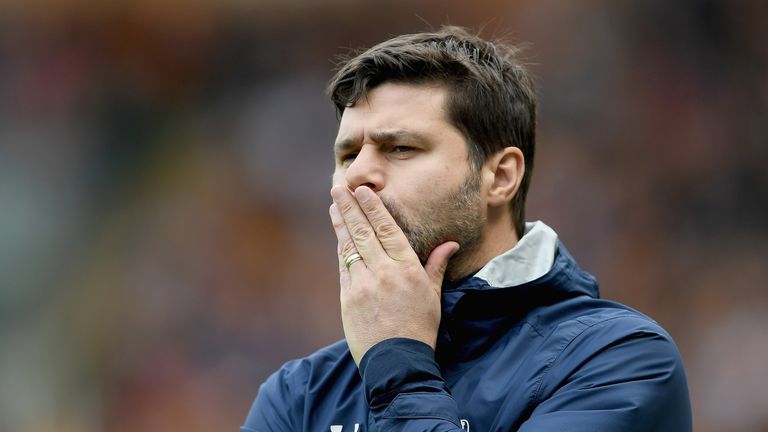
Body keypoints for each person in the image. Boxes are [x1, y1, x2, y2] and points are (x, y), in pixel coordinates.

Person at [241, 26, 692, 432]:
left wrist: (399, 365)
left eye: (400, 147)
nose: (358, 176)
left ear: (499, 177)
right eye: (347, 155)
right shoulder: (298, 396)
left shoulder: (618, 361)